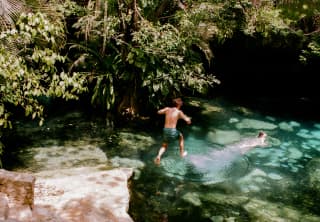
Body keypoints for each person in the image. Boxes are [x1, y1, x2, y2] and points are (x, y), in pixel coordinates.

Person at [154, 98, 191, 165]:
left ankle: (159, 156)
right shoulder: (179, 112)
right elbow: (187, 120)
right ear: (179, 105)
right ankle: (182, 153)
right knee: (181, 137)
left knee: (164, 145)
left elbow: (158, 112)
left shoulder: (167, 109)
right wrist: (188, 119)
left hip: (165, 130)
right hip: (172, 131)